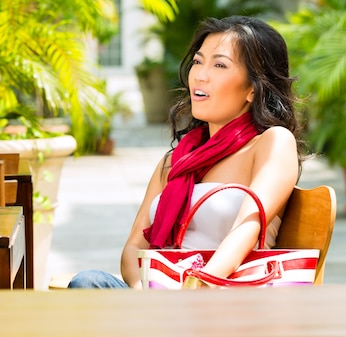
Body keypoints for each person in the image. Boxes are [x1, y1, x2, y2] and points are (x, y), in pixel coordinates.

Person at [69, 15, 303, 289]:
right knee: (89, 282)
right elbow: (134, 247)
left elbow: (246, 230)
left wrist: (195, 287)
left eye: (219, 65)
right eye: (198, 61)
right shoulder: (175, 161)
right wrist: (143, 293)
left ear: (252, 87)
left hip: (226, 302)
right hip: (161, 300)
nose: (200, 75)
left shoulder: (271, 143)